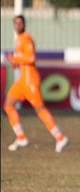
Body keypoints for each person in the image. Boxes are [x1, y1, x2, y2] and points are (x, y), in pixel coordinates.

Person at [4, 15, 68, 152]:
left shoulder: (27, 38)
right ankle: (21, 137)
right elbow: (21, 61)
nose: (18, 25)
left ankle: (60, 137)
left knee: (40, 109)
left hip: (31, 81)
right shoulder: (18, 40)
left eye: (20, 22)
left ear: (24, 24)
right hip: (22, 81)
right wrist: (14, 61)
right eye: (16, 23)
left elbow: (31, 58)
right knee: (8, 105)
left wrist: (15, 58)